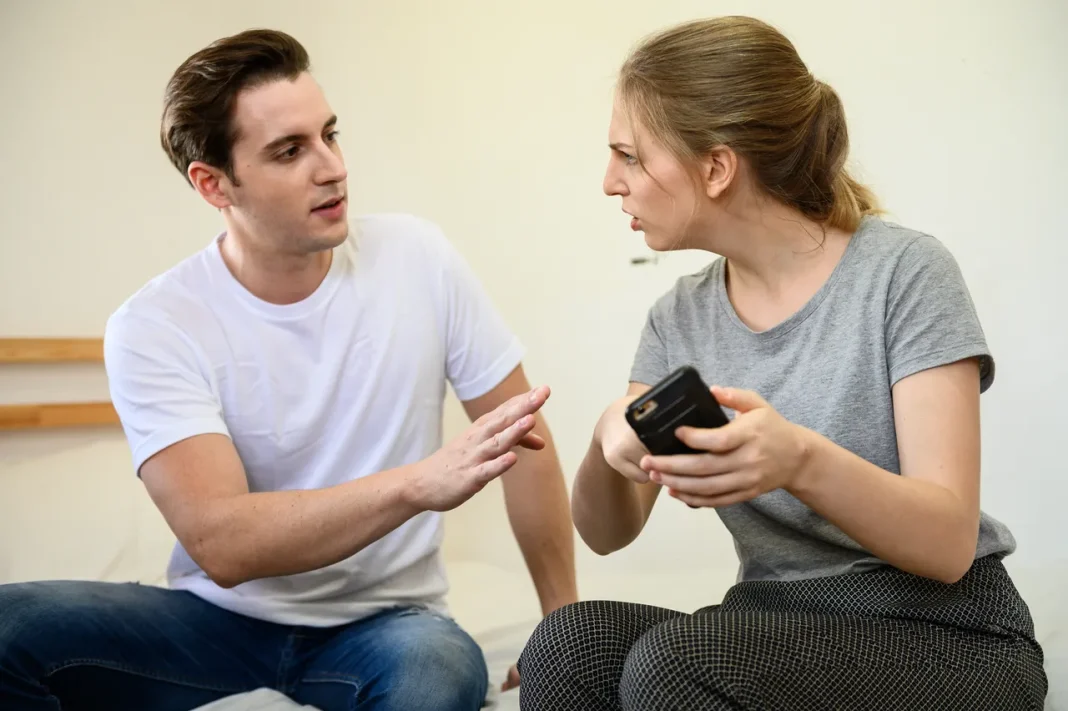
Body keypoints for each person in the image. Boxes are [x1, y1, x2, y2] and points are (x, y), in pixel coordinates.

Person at [0, 28, 576, 711]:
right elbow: (224, 542)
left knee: (436, 677)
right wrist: (420, 483)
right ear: (213, 183)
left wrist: (560, 627)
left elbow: (525, 441)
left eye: (330, 135)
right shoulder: (154, 325)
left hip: (390, 622)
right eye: (290, 151)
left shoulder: (419, 258)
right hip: (213, 622)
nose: (331, 167)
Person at [517, 15, 1047, 711]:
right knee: (565, 644)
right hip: (774, 626)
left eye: (631, 156)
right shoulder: (680, 318)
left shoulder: (905, 274)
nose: (610, 182)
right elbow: (606, 532)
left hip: (950, 632)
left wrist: (797, 458)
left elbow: (948, 541)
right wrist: (607, 439)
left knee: (673, 666)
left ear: (716, 168)